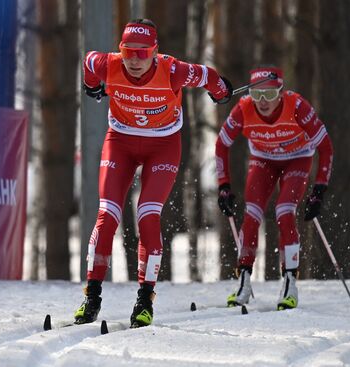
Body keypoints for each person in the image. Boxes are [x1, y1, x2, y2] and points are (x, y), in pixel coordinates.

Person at [75, 19, 232, 328]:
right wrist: (91, 86)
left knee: (148, 214)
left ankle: (145, 301)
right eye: (128, 52)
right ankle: (91, 298)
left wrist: (221, 89)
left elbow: (207, 76)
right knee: (107, 215)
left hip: (163, 145)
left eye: (143, 53)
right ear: (120, 51)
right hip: (120, 141)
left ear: (155, 52)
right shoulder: (107, 64)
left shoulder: (172, 70)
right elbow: (88, 62)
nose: (134, 60)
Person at [215, 66, 333, 310]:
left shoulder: (297, 106)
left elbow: (326, 146)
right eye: (257, 95)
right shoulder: (244, 108)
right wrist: (223, 185)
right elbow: (221, 145)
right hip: (264, 160)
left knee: (284, 211)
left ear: (281, 92)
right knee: (252, 213)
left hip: (298, 158)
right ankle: (244, 281)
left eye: (269, 95)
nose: (263, 102)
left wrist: (319, 189)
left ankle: (290, 281)